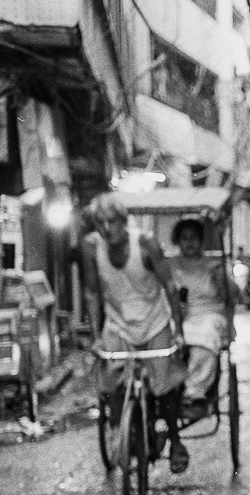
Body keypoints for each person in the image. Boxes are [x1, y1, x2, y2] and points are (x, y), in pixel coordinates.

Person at [80, 194, 190, 474]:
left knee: (164, 386)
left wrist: (178, 332)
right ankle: (121, 431)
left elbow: (169, 286)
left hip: (154, 323)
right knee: (113, 383)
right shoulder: (92, 248)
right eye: (100, 223)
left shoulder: (145, 243)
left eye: (112, 222)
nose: (107, 229)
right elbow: (92, 293)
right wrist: (95, 336)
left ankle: (175, 441)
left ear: (123, 221)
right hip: (118, 325)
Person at [169, 218, 230, 420]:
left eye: (193, 238)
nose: (189, 243)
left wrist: (221, 277)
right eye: (184, 238)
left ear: (201, 240)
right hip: (179, 315)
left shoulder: (213, 264)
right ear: (178, 241)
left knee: (205, 335)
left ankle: (195, 394)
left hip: (209, 314)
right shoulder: (169, 264)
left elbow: (230, 295)